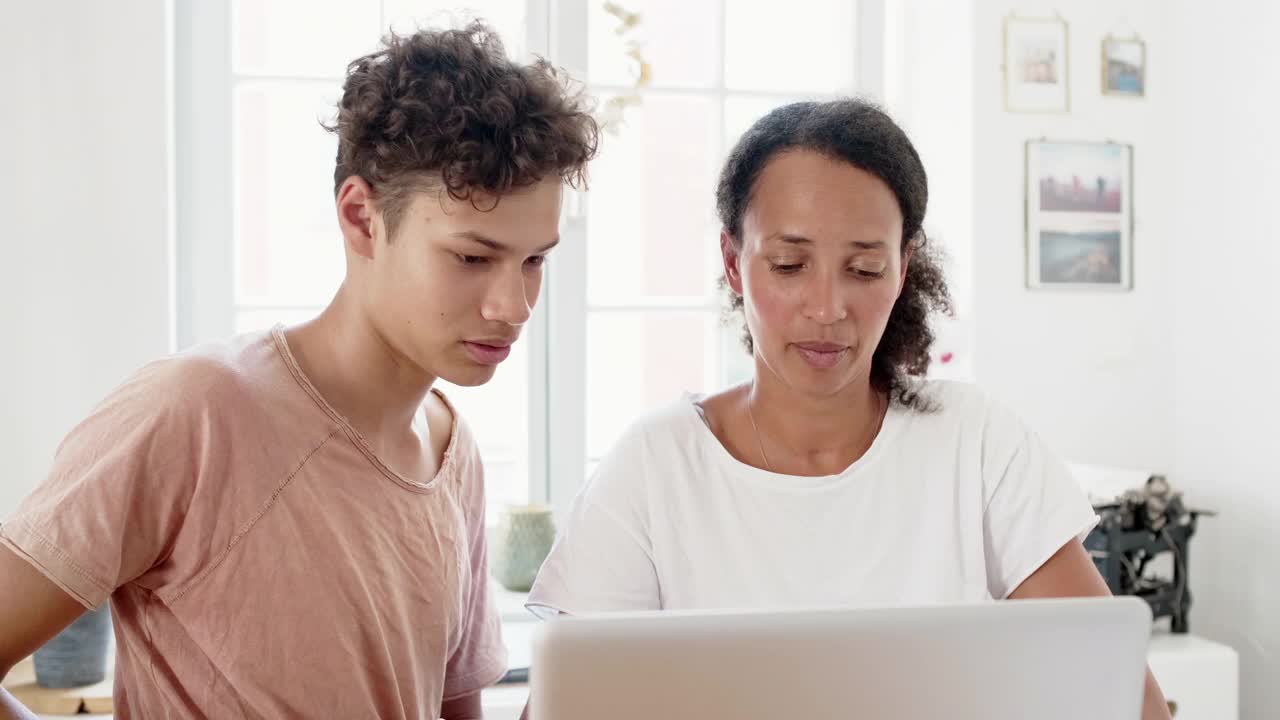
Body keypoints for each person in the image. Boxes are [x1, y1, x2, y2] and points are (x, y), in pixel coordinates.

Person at [0, 21, 597, 719]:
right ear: (360, 217)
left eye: (535, 260)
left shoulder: (452, 454)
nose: (514, 305)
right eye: (472, 258)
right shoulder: (195, 411)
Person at [525, 99, 1170, 719]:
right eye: (789, 263)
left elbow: (1122, 695)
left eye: (863, 269)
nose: (827, 307)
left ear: (901, 268)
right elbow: (563, 706)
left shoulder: (974, 443)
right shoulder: (655, 465)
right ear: (732, 262)